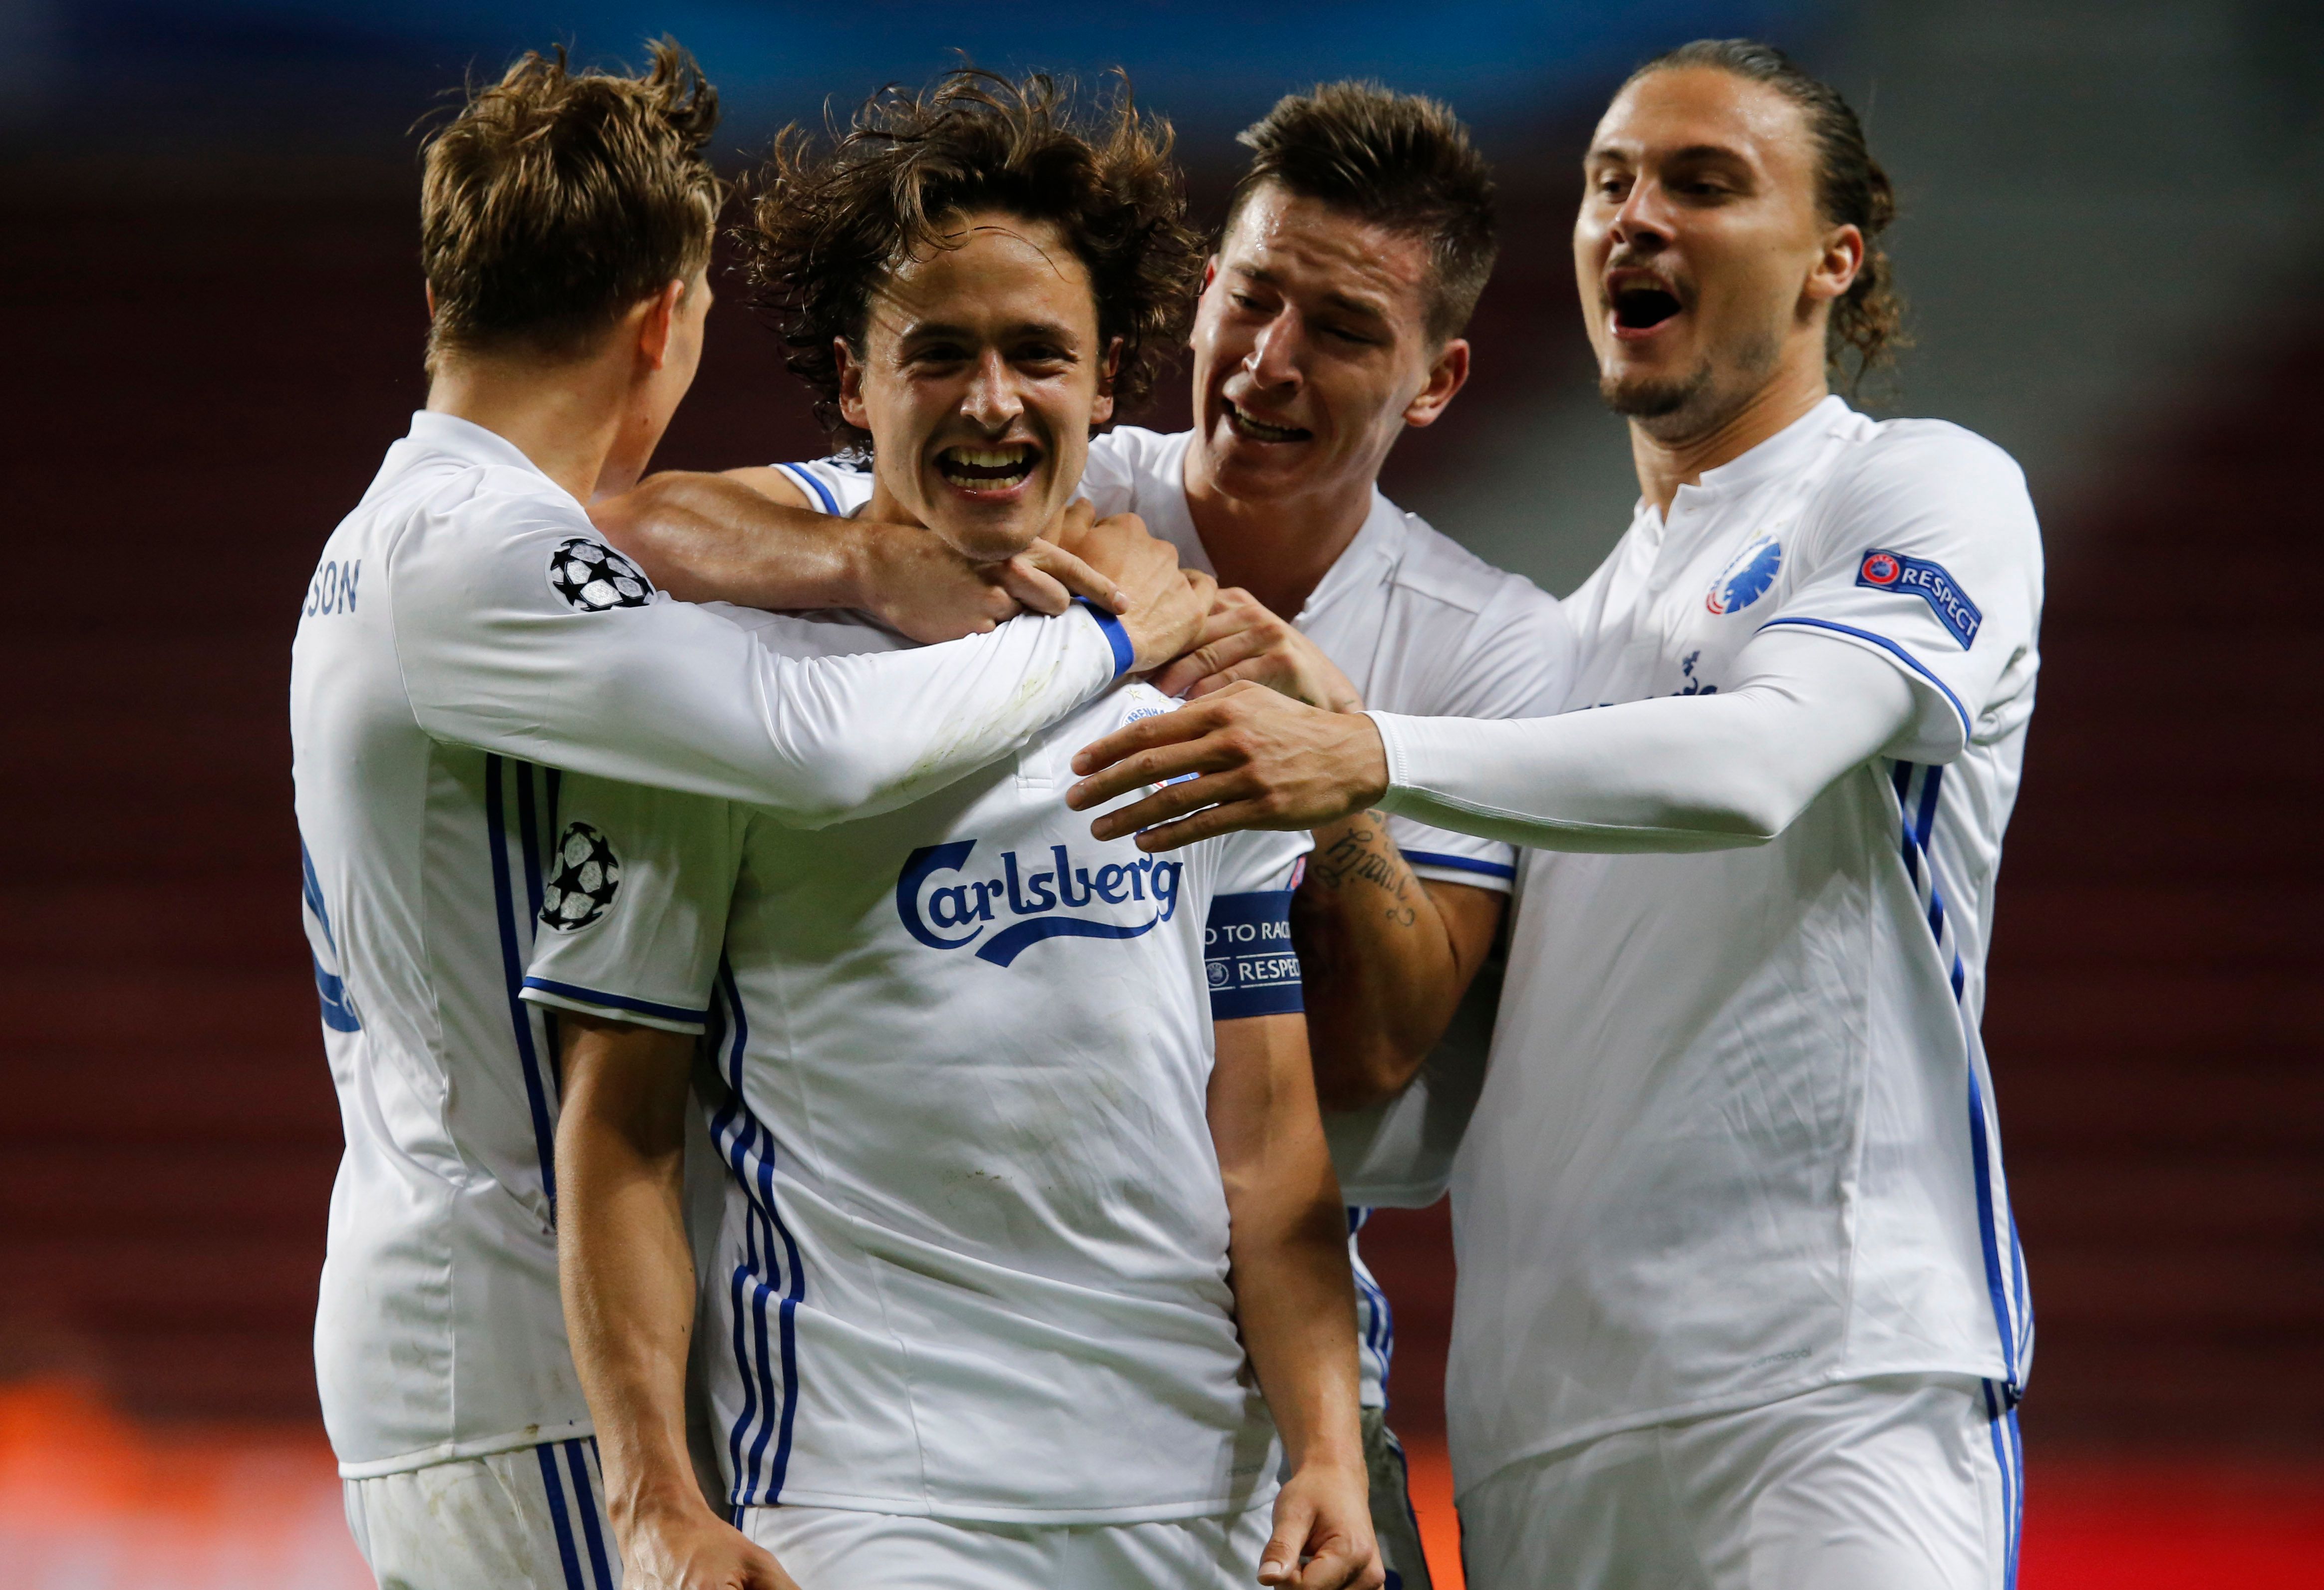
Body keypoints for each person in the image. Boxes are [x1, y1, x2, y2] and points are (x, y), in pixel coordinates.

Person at [1067, 39, 2043, 1590]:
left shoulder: (1916, 491)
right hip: (1537, 1429)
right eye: (1609, 183)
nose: (1637, 217)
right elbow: (1402, 1105)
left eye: (1705, 184)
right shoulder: (1565, 641)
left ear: (1833, 262)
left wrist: (1367, 751)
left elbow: (1760, 761)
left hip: (1828, 1382)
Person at [593, 82, 1574, 1589]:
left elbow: (1308, 1112)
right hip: (879, 1491)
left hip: (1215, 1469)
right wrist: (874, 566)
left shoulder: (1421, 657)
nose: (1272, 360)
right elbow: (637, 516)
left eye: (1341, 329)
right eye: (1254, 299)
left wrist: (1337, 757)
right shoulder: (758, 682)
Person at [291, 44, 1205, 1590]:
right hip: (524, 1356)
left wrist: (851, 561)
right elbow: (810, 744)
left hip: (465, 1335)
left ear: (444, 295)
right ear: (664, 323)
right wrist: (1113, 637)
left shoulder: (404, 536)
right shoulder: (481, 550)